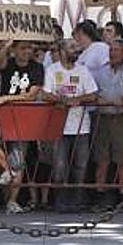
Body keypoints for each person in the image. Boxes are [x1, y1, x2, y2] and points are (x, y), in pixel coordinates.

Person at [0, 40, 45, 212]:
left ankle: (12, 201)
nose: (27, 51)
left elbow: (31, 95)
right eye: (23, 48)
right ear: (15, 50)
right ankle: (8, 171)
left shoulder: (37, 67)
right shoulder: (9, 63)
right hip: (4, 115)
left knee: (18, 160)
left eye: (29, 47)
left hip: (23, 116)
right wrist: (7, 44)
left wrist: (6, 98)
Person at [42, 39, 99, 212]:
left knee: (81, 166)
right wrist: (60, 100)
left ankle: (77, 200)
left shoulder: (83, 70)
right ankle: (61, 200)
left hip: (81, 126)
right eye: (72, 47)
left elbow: (93, 94)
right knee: (60, 166)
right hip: (59, 126)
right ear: (62, 51)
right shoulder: (52, 70)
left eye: (76, 47)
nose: (77, 50)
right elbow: (46, 94)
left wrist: (78, 99)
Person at [90, 39, 123, 209]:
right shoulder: (100, 72)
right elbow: (92, 92)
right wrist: (99, 99)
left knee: (122, 160)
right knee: (102, 160)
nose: (113, 53)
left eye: (116, 50)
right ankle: (100, 196)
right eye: (111, 50)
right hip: (103, 118)